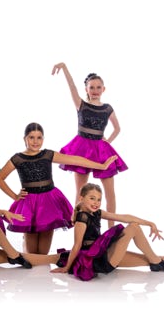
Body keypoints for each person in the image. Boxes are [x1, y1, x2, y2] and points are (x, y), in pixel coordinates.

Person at [50, 183, 164, 281]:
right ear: (81, 198)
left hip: (105, 252)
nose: (96, 202)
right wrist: (67, 267)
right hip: (97, 260)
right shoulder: (82, 217)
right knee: (134, 228)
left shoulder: (97, 213)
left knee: (148, 258)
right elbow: (77, 245)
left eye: (99, 199)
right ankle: (156, 261)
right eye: (92, 198)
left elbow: (124, 217)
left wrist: (149, 223)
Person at [0, 122, 119, 255]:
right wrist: (15, 196)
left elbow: (75, 159)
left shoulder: (47, 154)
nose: (35, 141)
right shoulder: (18, 158)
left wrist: (101, 166)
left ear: (43, 139)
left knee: (43, 253)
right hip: (30, 203)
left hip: (48, 203)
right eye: (31, 137)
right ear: (24, 139)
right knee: (32, 253)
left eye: (39, 137)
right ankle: (26, 240)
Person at [52, 62, 128, 228]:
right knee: (81, 192)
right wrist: (64, 68)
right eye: (91, 87)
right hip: (81, 148)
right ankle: (78, 226)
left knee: (110, 193)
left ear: (103, 89)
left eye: (98, 87)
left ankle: (111, 229)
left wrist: (107, 142)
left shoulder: (107, 108)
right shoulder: (81, 104)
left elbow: (117, 128)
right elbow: (72, 87)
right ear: (86, 89)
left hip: (101, 150)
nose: (95, 90)